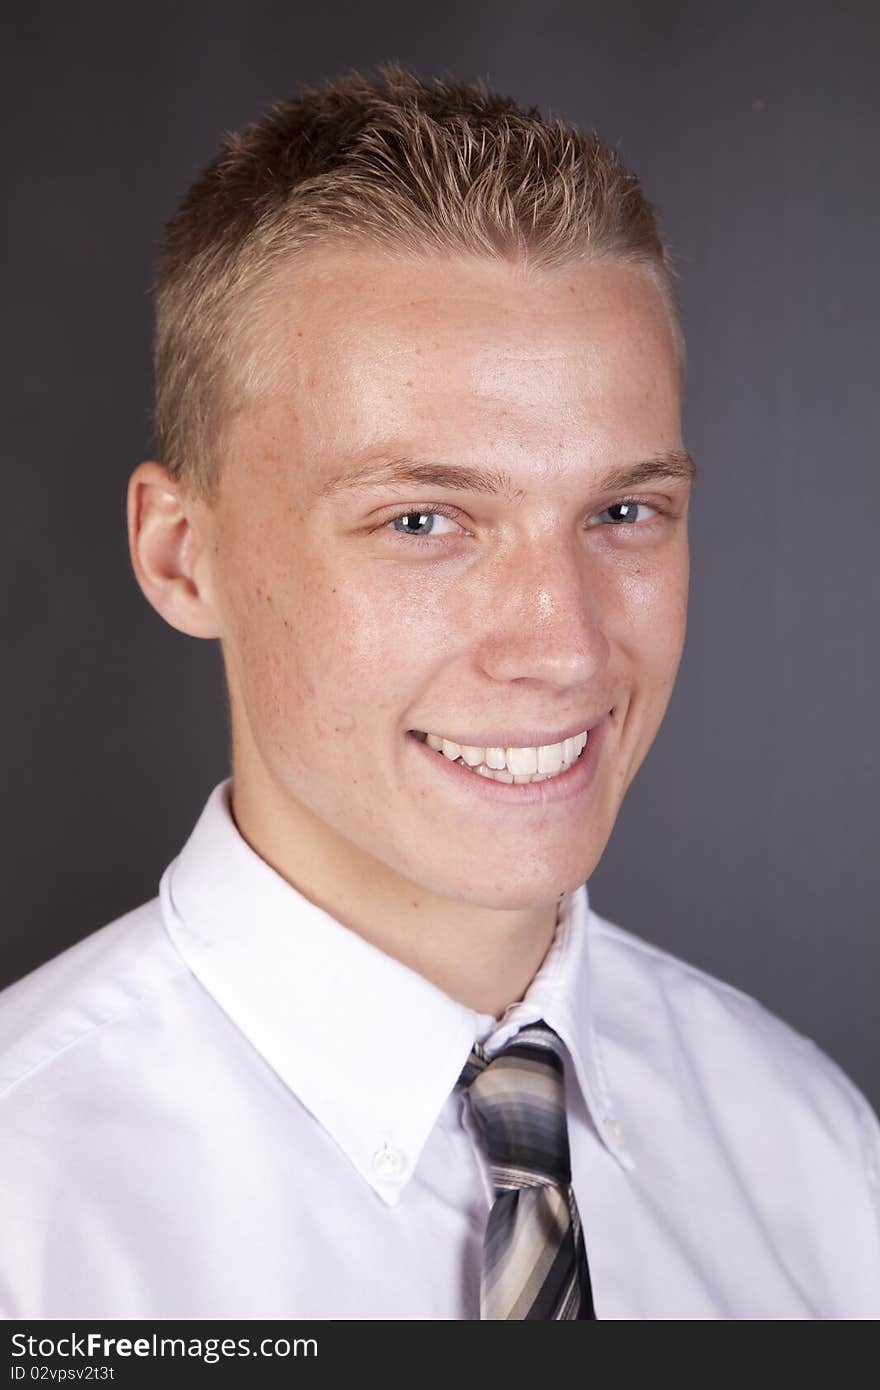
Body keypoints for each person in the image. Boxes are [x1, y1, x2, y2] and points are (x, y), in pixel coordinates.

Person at [1, 63, 877, 1322]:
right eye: (423, 518)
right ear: (180, 554)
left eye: (623, 511)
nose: (563, 644)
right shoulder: (29, 1219)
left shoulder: (810, 1155)